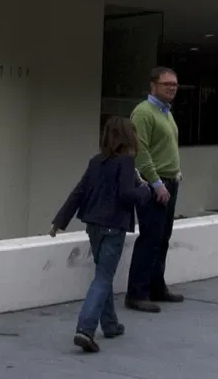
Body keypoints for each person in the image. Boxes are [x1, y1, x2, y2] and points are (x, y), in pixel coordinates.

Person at [50, 116, 151, 353]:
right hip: (113, 227)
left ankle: (110, 324)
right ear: (129, 137)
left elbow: (79, 192)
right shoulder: (126, 162)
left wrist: (59, 222)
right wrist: (144, 191)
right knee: (103, 278)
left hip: (93, 226)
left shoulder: (96, 161)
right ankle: (85, 329)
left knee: (102, 275)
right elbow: (127, 195)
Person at [126, 67, 183, 313]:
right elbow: (140, 152)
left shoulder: (165, 113)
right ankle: (136, 294)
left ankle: (156, 287)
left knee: (162, 238)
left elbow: (165, 148)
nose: (172, 88)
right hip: (153, 184)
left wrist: (175, 174)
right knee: (150, 238)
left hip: (170, 181)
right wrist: (157, 183)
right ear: (153, 85)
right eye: (166, 83)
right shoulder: (143, 112)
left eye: (175, 84)